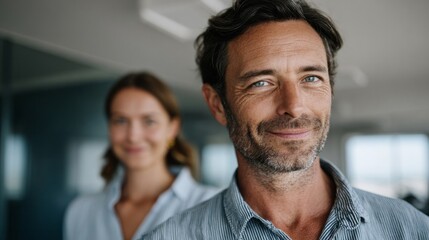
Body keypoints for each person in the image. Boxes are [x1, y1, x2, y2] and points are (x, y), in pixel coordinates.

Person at [141, 0, 429, 239]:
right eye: (261, 83)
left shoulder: (411, 229)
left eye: (311, 78)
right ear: (217, 104)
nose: (293, 106)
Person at [64, 72, 219, 240]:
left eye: (149, 121)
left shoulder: (214, 208)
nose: (133, 136)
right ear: (109, 128)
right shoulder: (81, 211)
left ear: (172, 129)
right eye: (121, 120)